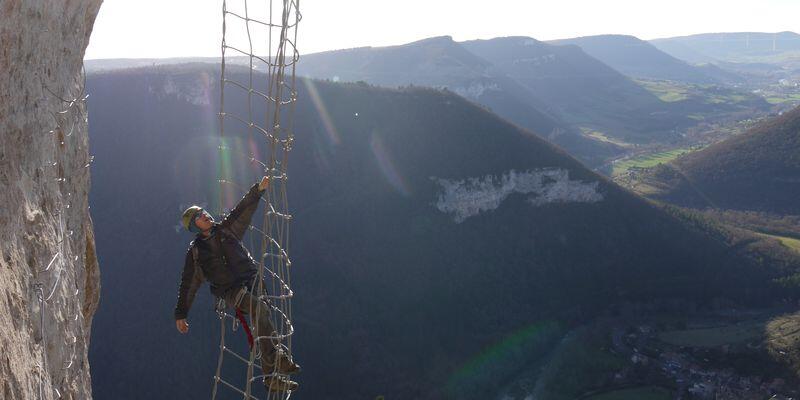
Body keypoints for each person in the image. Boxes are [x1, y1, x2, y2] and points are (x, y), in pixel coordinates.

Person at [174, 176, 299, 392]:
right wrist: (181, 314)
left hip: (252, 280)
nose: (205, 215)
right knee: (259, 310)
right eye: (199, 217)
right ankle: (274, 361)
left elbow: (242, 210)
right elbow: (188, 284)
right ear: (195, 227)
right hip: (231, 291)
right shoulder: (196, 253)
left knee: (263, 316)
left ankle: (273, 369)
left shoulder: (226, 229)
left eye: (203, 213)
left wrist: (257, 190)